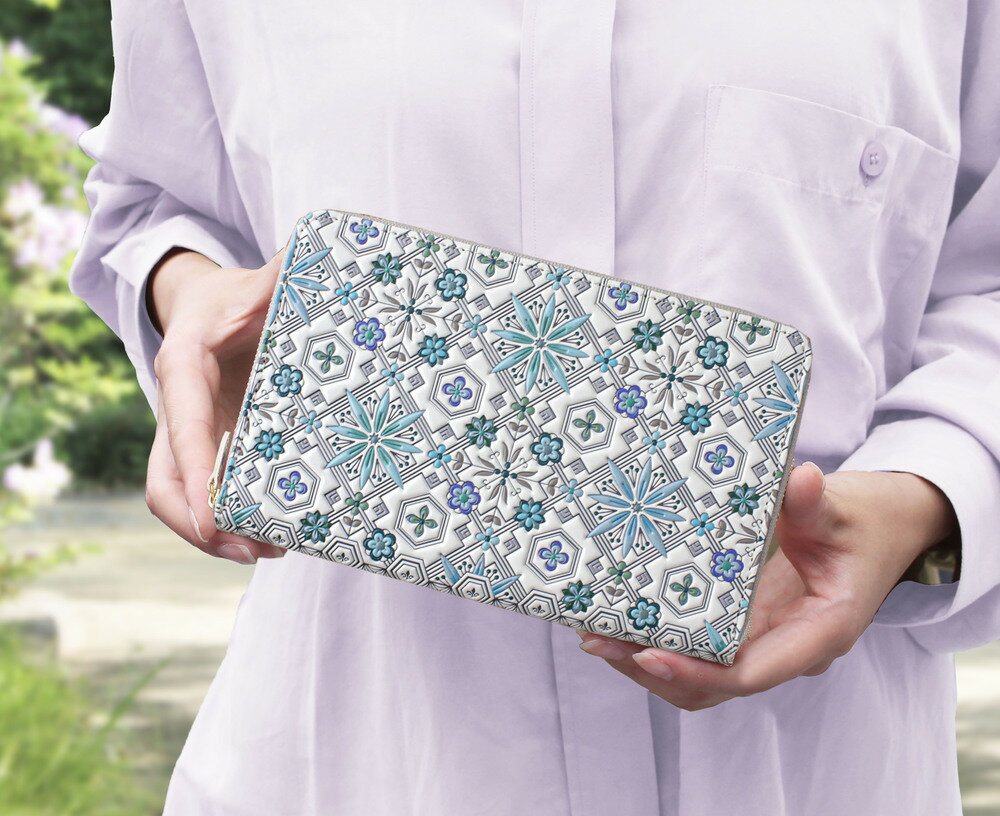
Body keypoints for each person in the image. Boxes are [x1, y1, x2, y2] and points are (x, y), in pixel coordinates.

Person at [66, 1, 999, 813]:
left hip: (820, 765)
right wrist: (189, 297)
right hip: (358, 756)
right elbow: (154, 195)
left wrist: (919, 498)